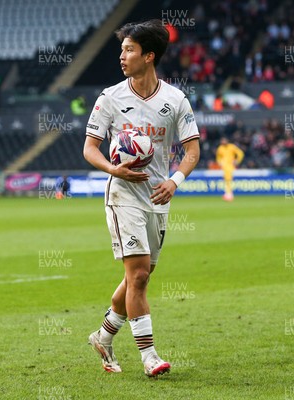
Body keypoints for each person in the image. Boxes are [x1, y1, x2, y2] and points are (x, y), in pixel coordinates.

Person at [82, 20, 200, 377]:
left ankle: (103, 336)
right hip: (122, 196)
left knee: (141, 275)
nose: (122, 56)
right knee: (137, 276)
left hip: (158, 198)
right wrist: (112, 169)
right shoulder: (110, 98)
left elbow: (192, 151)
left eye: (129, 50)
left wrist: (175, 181)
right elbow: (90, 148)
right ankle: (149, 357)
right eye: (122, 50)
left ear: (149, 56)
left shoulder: (175, 99)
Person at [215, 137, 244, 201]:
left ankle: (229, 194)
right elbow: (218, 158)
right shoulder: (220, 148)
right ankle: (228, 193)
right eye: (222, 141)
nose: (223, 142)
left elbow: (240, 153)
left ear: (227, 141)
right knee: (226, 179)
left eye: (224, 140)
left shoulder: (232, 147)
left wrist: (237, 161)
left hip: (231, 166)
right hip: (223, 167)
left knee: (229, 179)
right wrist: (220, 163)